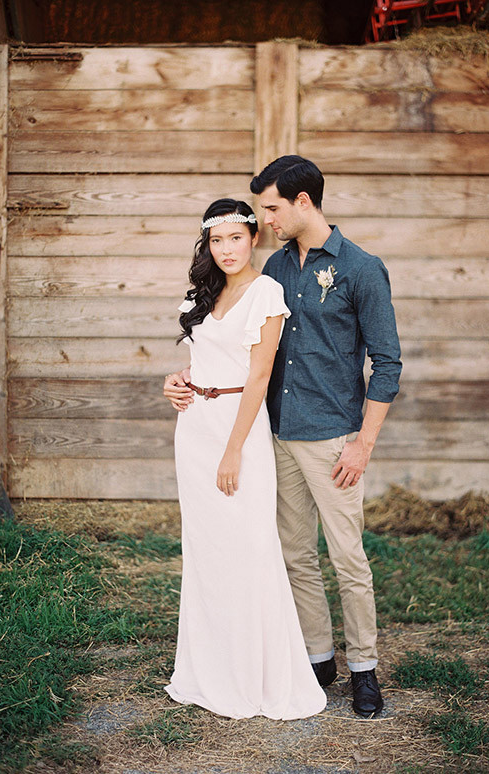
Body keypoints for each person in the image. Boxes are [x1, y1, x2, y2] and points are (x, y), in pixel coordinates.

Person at [166, 157, 402, 718]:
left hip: (332, 437)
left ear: (303, 202)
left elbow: (387, 364)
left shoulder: (362, 269)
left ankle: (364, 669)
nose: (264, 218)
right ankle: (318, 659)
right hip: (275, 436)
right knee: (295, 554)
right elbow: (242, 353)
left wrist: (362, 442)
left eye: (271, 207)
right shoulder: (276, 269)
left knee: (347, 557)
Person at [163, 198, 326, 720]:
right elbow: (200, 359)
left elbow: (257, 377)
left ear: (253, 238)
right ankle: (208, 670)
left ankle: (256, 675)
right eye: (217, 240)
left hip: (239, 430)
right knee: (206, 552)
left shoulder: (268, 293)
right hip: (195, 429)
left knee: (250, 549)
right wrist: (175, 381)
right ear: (207, 246)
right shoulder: (206, 294)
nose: (227, 249)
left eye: (236, 238)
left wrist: (233, 451)